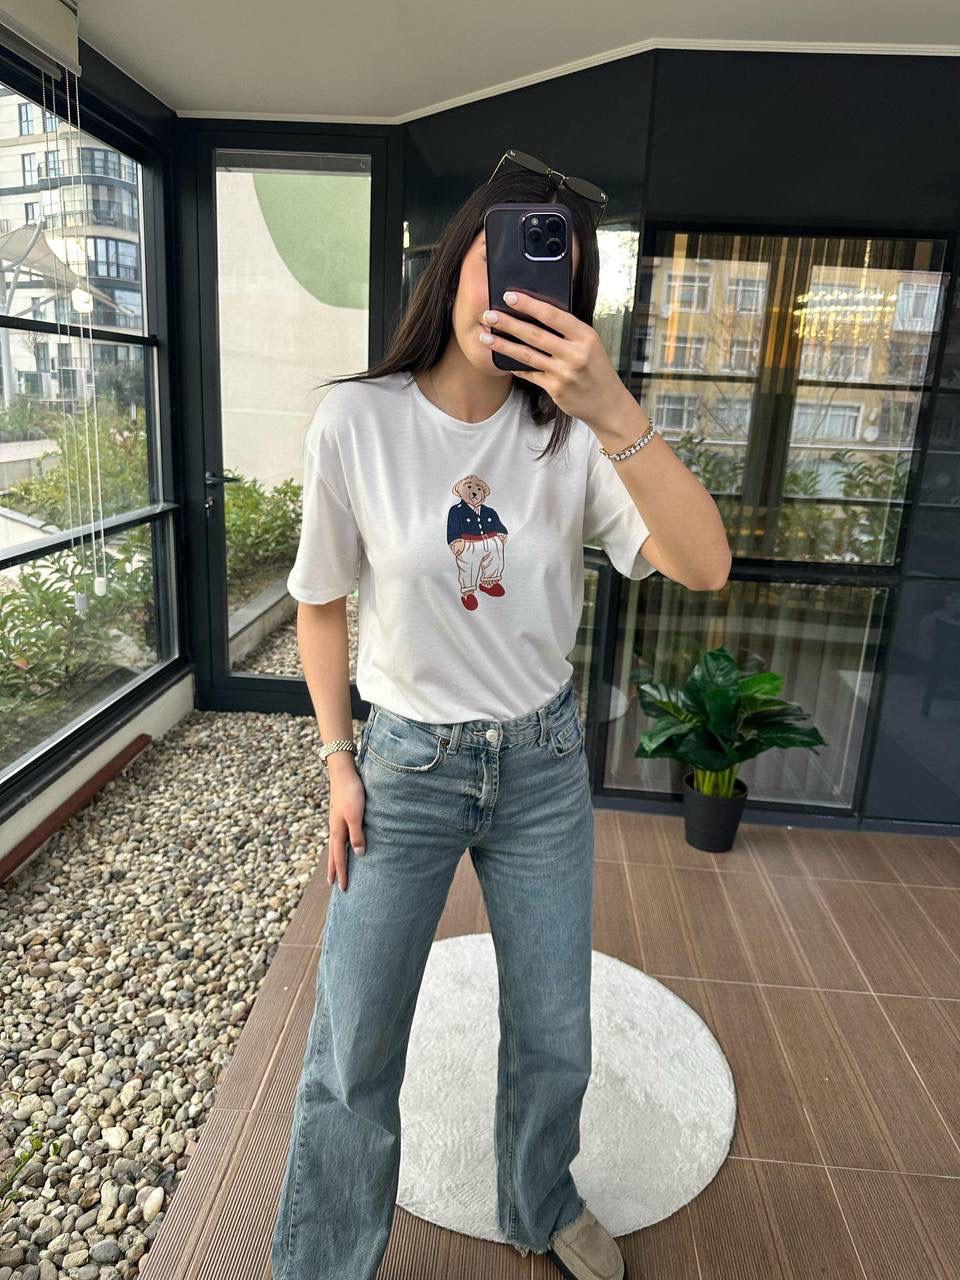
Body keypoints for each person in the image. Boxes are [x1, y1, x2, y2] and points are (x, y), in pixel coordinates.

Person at [270, 159, 731, 1280]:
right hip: (406, 764)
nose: (517, 291)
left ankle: (540, 1199)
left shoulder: (575, 436)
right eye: (503, 254)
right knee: (355, 1037)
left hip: (541, 765)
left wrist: (614, 410)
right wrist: (338, 761)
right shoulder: (358, 421)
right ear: (458, 257)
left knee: (555, 1028)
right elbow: (320, 605)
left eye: (549, 275)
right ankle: (323, 1259)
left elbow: (705, 565)